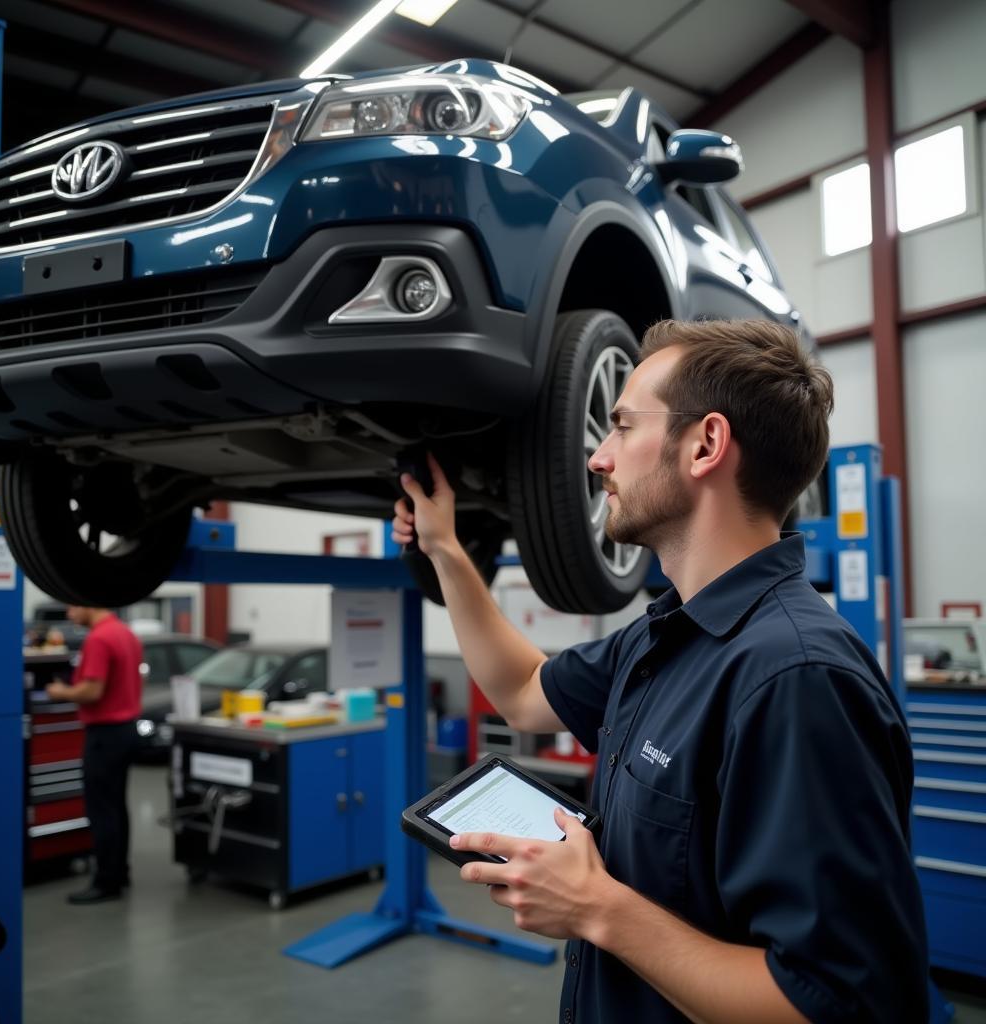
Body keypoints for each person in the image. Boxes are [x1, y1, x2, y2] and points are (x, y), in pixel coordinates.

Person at [392, 319, 928, 1024]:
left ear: (705, 444)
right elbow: (522, 694)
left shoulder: (797, 679)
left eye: (619, 427)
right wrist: (447, 552)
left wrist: (595, 908)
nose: (597, 459)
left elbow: (836, 1004)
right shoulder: (663, 638)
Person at [46, 607, 143, 905]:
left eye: (73, 604)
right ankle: (119, 872)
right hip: (126, 730)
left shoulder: (99, 639)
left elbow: (92, 691)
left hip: (104, 734)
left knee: (102, 810)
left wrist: (60, 692)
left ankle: (105, 882)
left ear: (89, 603)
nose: (68, 611)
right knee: (116, 806)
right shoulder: (125, 633)